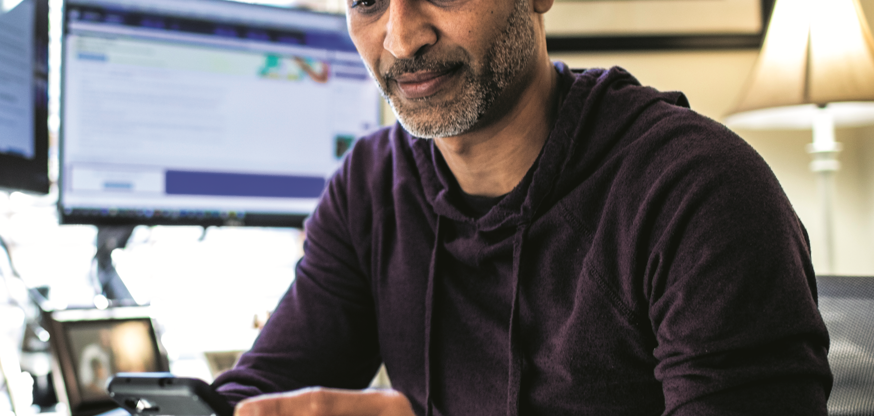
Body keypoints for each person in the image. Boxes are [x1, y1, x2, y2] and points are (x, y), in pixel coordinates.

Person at [213, 0, 834, 414]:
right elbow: (263, 389)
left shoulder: (697, 191)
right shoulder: (372, 185)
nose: (401, 39)